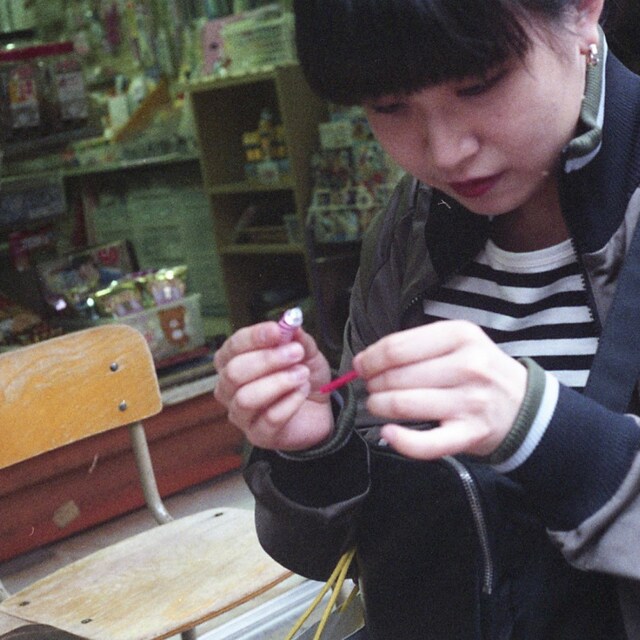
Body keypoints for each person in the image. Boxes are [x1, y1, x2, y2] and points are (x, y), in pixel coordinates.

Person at [213, 0, 640, 637]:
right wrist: (313, 451)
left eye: (479, 85)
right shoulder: (411, 230)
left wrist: (542, 430)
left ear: (581, 10)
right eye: (389, 106)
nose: (446, 152)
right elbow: (352, 553)